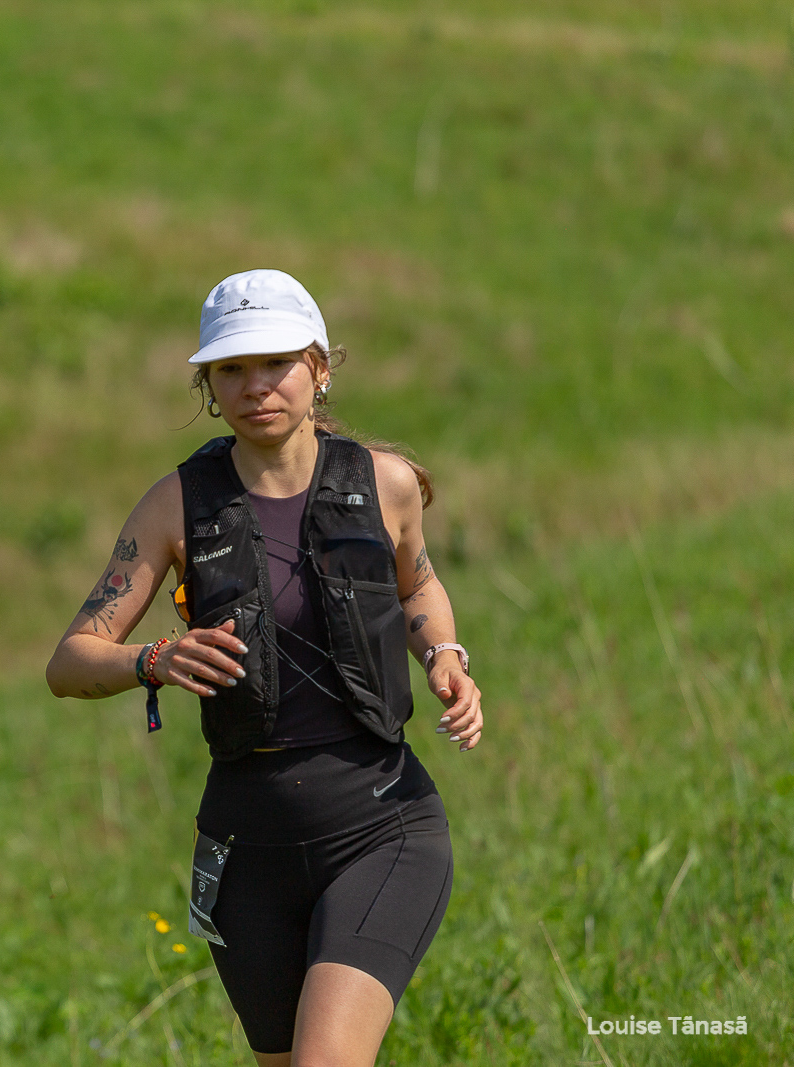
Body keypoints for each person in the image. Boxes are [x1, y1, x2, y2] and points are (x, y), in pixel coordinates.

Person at [46, 269, 483, 1067]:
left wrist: (445, 655)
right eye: (231, 369)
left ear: (319, 367)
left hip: (382, 825)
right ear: (209, 386)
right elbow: (70, 661)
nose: (255, 386)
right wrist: (154, 658)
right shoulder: (176, 505)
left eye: (276, 362)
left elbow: (418, 584)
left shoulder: (384, 483)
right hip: (245, 847)